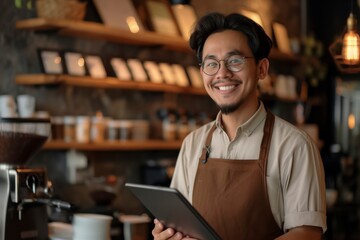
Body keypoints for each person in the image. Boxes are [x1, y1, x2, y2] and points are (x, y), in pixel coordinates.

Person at [152, 12, 326, 240]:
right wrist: (166, 234)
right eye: (211, 64)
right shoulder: (192, 144)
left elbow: (307, 234)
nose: (222, 73)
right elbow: (179, 223)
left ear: (262, 69)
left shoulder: (294, 146)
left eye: (235, 61)